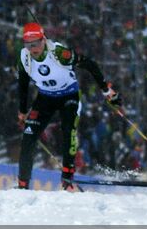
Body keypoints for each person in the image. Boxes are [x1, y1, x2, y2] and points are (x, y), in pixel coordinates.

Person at [15, 22, 119, 192]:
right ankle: (22, 185)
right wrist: (22, 110)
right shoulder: (24, 57)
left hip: (68, 95)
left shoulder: (59, 53)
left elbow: (89, 63)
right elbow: (23, 84)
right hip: (46, 97)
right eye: (28, 44)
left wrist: (106, 89)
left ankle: (67, 180)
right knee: (28, 138)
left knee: (68, 130)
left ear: (43, 40)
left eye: (35, 43)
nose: (32, 48)